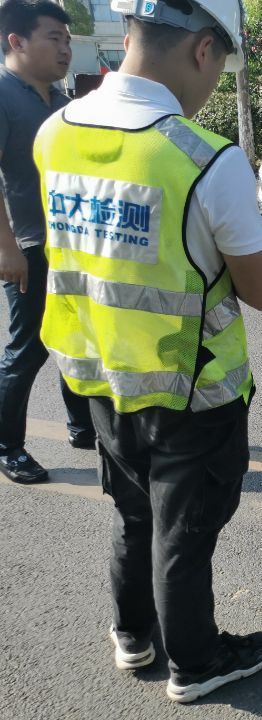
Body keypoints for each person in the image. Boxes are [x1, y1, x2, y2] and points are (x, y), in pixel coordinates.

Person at [33, 0, 262, 703]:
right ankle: (195, 664)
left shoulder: (55, 133)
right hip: (192, 388)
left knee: (133, 513)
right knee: (184, 532)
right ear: (203, 49)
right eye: (219, 66)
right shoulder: (205, 159)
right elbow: (260, 292)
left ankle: (132, 635)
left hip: (98, 375)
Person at [0, 0, 96, 485]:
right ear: (16, 41)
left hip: (70, 243)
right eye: (54, 38)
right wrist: (6, 247)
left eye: (67, 40)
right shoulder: (2, 94)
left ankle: (82, 427)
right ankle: (7, 446)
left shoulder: (60, 101)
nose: (65, 49)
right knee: (28, 349)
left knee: (75, 336)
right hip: (28, 246)